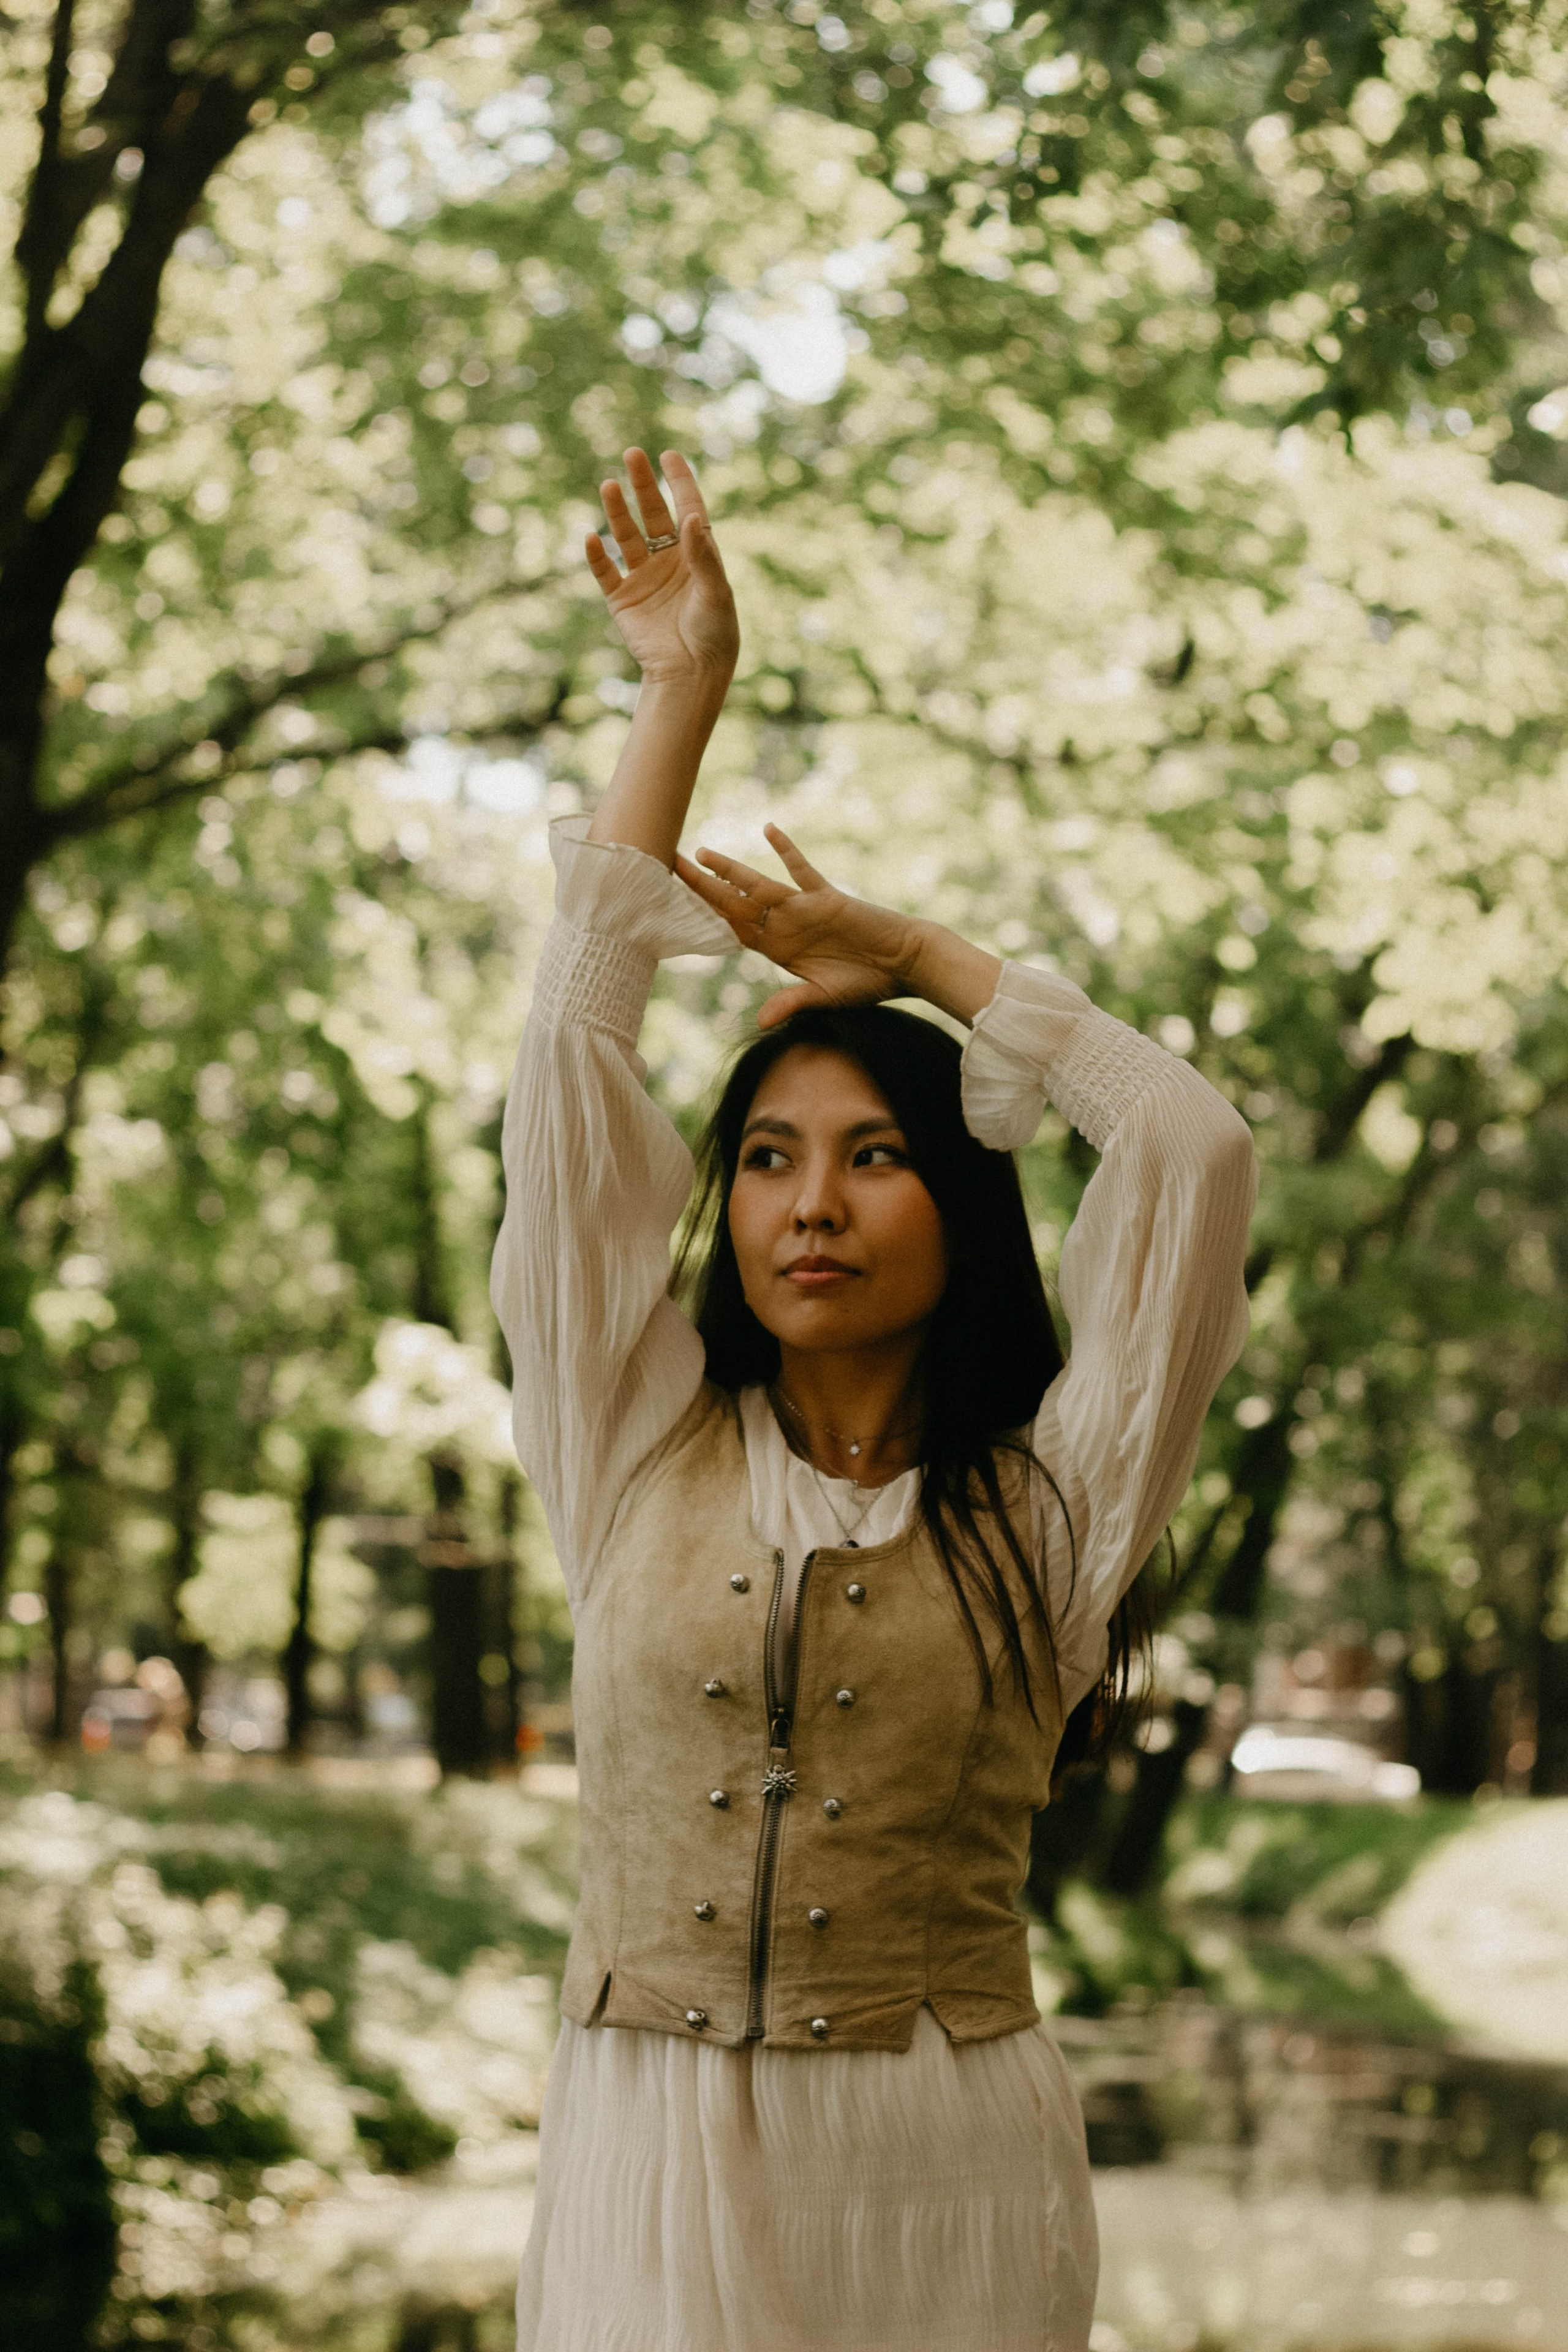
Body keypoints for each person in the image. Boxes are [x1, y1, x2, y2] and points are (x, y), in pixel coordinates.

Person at [491, 448, 1256, 2352]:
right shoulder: (626, 1438)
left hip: (944, 2184)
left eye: (872, 1155)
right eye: (766, 1158)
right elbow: (569, 1072)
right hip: (648, 2161)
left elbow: (1190, 1153)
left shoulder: (1054, 1508)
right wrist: (682, 691)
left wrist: (918, 960)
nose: (809, 1204)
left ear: (958, 1206)